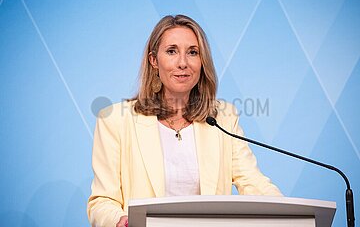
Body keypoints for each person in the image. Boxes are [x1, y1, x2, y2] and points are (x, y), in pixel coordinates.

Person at [87, 14, 282, 227]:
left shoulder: (223, 118)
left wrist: (290, 214)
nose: (183, 63)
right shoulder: (115, 120)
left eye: (193, 52)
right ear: (154, 60)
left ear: (202, 61)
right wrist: (119, 220)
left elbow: (252, 182)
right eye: (171, 51)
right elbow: (102, 201)